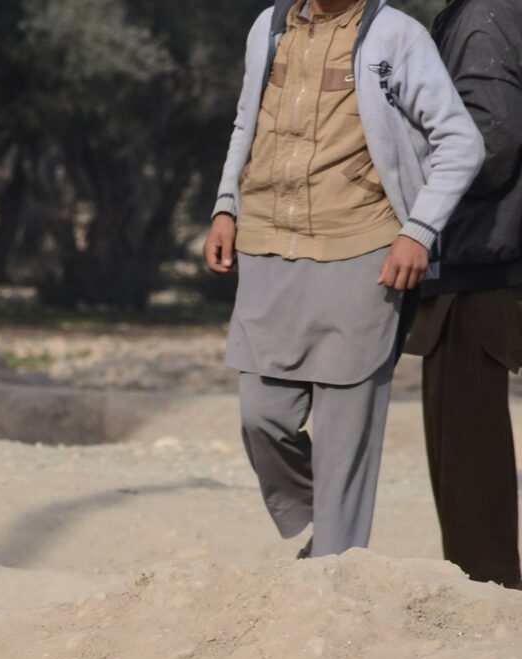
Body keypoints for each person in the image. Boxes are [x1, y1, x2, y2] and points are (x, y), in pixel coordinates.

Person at [204, 0, 483, 558]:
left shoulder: (395, 35)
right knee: (262, 417)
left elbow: (461, 141)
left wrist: (418, 231)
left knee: (345, 435)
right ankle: (325, 518)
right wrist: (225, 206)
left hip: (363, 249)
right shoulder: (270, 25)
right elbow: (245, 120)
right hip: (267, 243)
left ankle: (333, 569)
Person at [403, 0, 522, 589]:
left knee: (465, 431)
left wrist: (414, 195)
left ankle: (488, 587)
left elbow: (490, 141)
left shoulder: (481, 18)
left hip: (483, 261)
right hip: (493, 255)